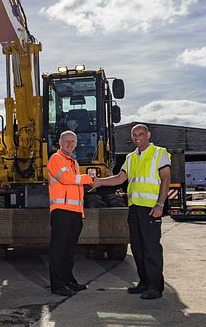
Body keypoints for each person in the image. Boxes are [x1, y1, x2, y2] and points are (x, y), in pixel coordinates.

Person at [93, 124, 171, 299]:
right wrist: (99, 182)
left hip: (151, 208)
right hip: (134, 208)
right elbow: (120, 179)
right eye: (134, 135)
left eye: (141, 134)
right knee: (137, 247)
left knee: (151, 248)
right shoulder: (130, 157)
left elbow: (166, 179)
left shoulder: (159, 153)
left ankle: (155, 287)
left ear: (148, 135)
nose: (137, 137)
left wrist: (160, 205)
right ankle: (144, 282)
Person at [47, 130, 95, 296]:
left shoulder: (73, 162)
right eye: (66, 141)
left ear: (76, 143)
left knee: (69, 250)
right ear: (60, 142)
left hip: (75, 212)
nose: (69, 144)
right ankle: (57, 285)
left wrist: (80, 213)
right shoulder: (56, 158)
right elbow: (66, 179)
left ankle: (68, 280)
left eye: (72, 141)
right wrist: (89, 179)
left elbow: (76, 189)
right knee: (59, 249)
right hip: (61, 212)